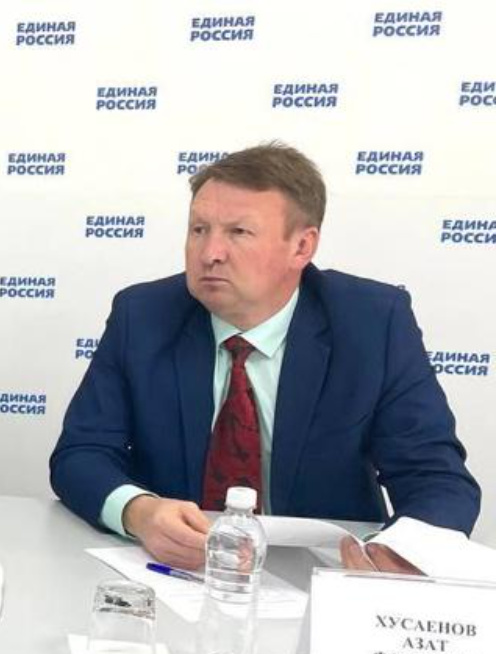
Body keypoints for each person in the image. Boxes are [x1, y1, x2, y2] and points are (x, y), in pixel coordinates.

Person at [50, 142, 479, 570]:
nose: (210, 253)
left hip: (323, 573)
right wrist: (139, 512)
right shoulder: (142, 315)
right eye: (199, 229)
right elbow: (80, 454)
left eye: (239, 232)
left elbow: (435, 477)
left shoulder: (372, 322)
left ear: (302, 247)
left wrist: (405, 554)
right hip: (180, 570)